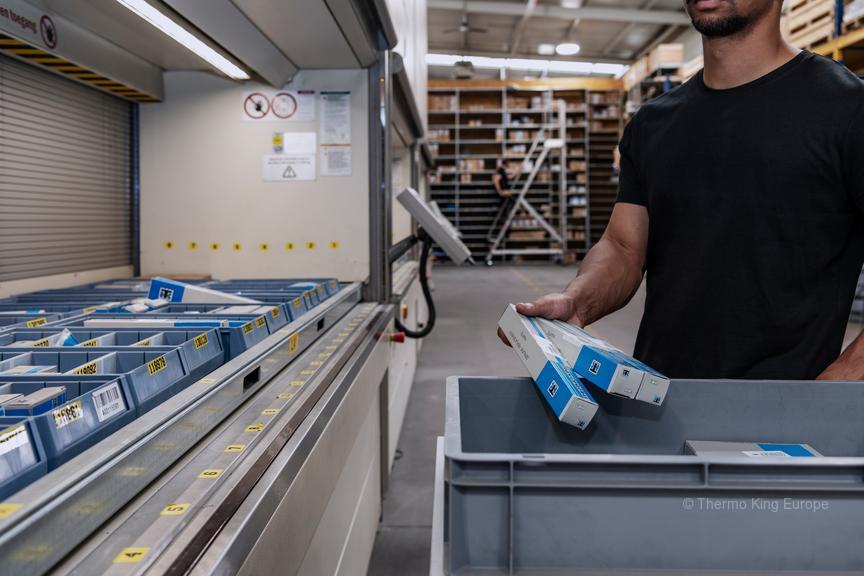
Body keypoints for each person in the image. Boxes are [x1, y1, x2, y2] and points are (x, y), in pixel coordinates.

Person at [501, 0, 864, 380]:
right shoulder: (652, 125)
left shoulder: (847, 109)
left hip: (784, 419)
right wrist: (576, 302)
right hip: (658, 401)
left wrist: (837, 383)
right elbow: (623, 248)